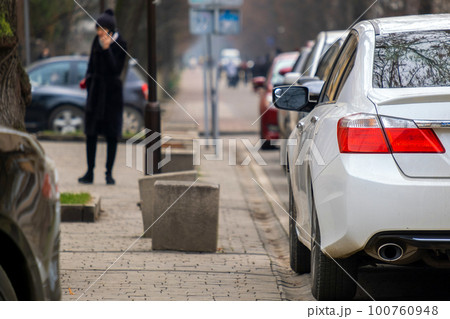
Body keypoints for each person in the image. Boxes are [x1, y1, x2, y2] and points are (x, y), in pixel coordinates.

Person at [78, 9, 127, 185]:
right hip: (96, 94)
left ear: (110, 29)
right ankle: (89, 172)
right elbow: (91, 65)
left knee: (111, 135)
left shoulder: (121, 43)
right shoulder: (95, 41)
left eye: (102, 28)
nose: (99, 32)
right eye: (97, 28)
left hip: (112, 96)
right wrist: (88, 80)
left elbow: (116, 69)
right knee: (90, 133)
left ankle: (109, 173)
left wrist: (107, 50)